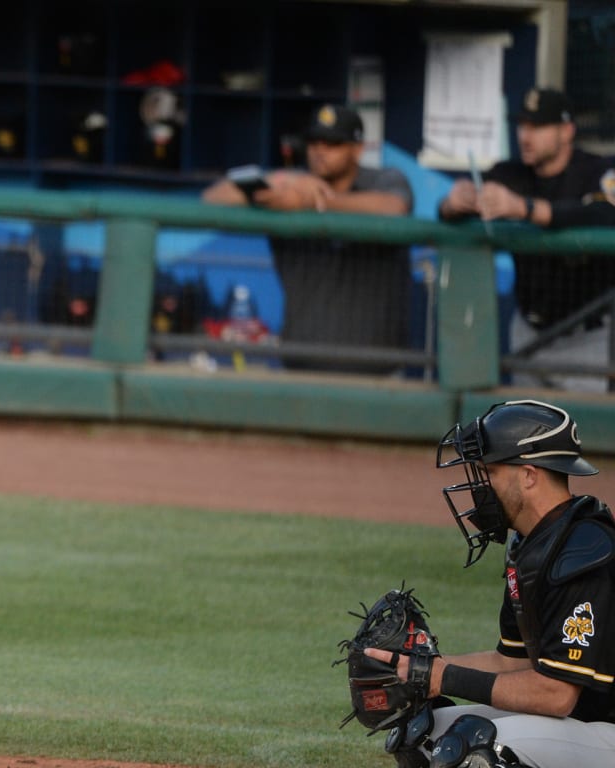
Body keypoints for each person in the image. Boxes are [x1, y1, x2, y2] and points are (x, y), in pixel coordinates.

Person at [370, 399, 615, 767]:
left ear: (529, 475)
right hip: (580, 724)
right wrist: (420, 668)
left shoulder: (585, 553)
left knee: (473, 748)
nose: (479, 488)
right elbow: (512, 661)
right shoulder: (531, 544)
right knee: (422, 733)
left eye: (489, 473)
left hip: (604, 728)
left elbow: (556, 694)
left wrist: (445, 677)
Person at [202, 103, 414, 374]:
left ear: (357, 149)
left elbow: (395, 207)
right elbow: (214, 198)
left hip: (376, 369)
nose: (320, 150)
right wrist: (283, 180)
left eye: (333, 143)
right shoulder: (289, 189)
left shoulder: (385, 180)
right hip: (302, 364)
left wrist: (315, 201)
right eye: (314, 141)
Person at [437, 87, 615, 393]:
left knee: (584, 433)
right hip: (528, 330)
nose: (525, 136)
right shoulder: (511, 173)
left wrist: (526, 209)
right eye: (522, 125)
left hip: (587, 335)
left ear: (567, 131)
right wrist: (456, 200)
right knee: (529, 435)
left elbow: (605, 213)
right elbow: (447, 213)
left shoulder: (596, 170)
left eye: (538, 126)